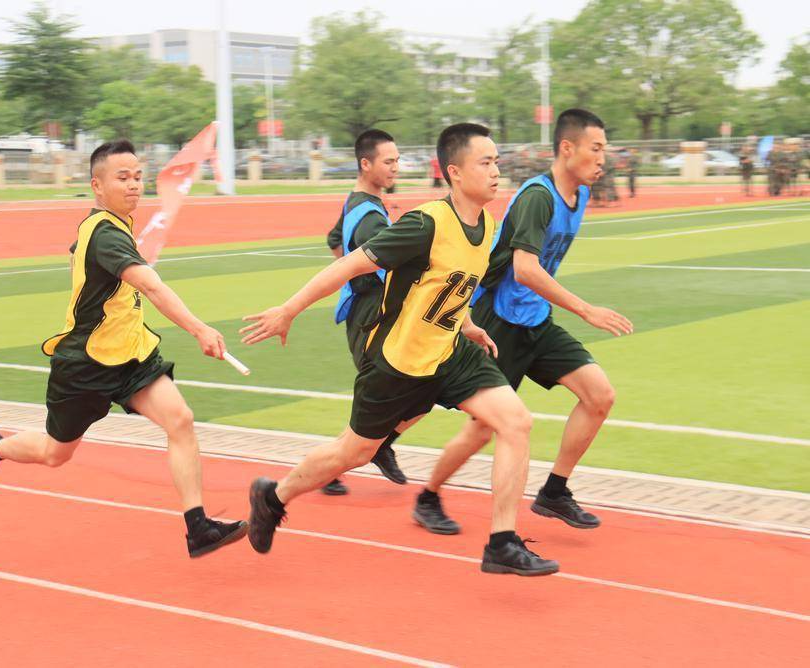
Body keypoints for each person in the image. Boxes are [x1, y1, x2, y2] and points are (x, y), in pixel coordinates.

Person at [242, 123, 559, 576]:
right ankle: (273, 497)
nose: (496, 171)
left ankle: (502, 543)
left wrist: (466, 325)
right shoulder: (425, 223)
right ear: (454, 171)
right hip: (398, 362)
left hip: (448, 354)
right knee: (352, 453)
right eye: (485, 162)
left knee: (515, 422)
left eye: (496, 161)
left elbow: (450, 287)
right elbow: (350, 262)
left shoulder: (486, 225)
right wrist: (289, 309)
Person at [0, 140, 248, 559]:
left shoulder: (113, 226)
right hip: (85, 363)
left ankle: (197, 527)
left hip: (130, 355)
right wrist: (199, 328)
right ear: (97, 185)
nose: (133, 185)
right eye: (122, 178)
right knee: (56, 453)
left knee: (180, 420)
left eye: (138, 177)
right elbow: (149, 284)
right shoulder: (106, 233)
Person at [410, 109, 633, 536]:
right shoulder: (538, 197)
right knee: (482, 429)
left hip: (536, 319)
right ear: (567, 148)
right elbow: (526, 269)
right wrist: (587, 310)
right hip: (500, 321)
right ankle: (429, 495)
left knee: (599, 395)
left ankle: (554, 491)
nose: (604, 159)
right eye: (596, 148)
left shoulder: (580, 195)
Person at [320, 129, 411, 496]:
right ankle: (374, 447)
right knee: (407, 393)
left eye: (397, 161)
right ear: (365, 163)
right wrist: (361, 282)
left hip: (368, 313)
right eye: (388, 162)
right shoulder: (370, 216)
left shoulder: (358, 202)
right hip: (371, 320)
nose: (395, 168)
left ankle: (372, 448)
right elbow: (395, 265)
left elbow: (334, 240)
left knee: (406, 395)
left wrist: (351, 277)